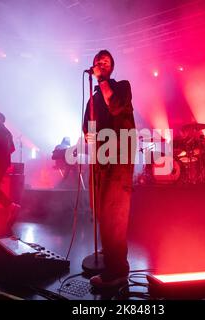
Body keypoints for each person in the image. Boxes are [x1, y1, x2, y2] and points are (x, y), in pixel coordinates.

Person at [83, 50, 136, 288]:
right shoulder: (92, 98)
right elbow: (86, 129)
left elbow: (115, 107)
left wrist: (102, 82)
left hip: (120, 153)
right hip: (101, 157)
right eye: (98, 62)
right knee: (103, 209)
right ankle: (111, 257)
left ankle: (117, 272)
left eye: (105, 62)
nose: (101, 64)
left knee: (114, 211)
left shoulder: (122, 86)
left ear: (111, 67)